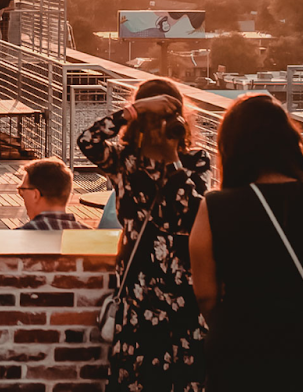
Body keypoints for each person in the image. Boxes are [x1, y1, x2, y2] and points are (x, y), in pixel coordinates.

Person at [190, 93, 303, 392]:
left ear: (231, 146)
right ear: (290, 142)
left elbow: (206, 296)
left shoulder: (216, 206)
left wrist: (232, 326)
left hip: (238, 349)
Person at [78, 77, 209, 392]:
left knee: (185, 374)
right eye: (155, 120)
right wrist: (133, 110)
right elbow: (87, 140)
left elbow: (195, 210)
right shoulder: (124, 160)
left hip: (184, 287)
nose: (160, 127)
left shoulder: (195, 161)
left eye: (168, 120)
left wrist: (172, 159)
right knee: (140, 376)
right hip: (139, 286)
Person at [17, 157, 85, 230]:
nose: (22, 195)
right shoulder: (90, 235)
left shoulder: (17, 236)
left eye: (22, 190)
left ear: (35, 195)